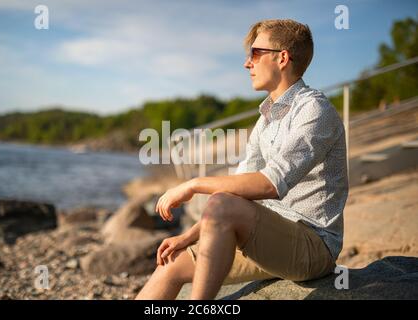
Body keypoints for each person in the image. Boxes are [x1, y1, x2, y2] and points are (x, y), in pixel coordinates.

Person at [135, 19, 348, 300]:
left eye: (255, 53)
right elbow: (236, 191)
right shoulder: (267, 118)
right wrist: (188, 237)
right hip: (267, 239)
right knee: (170, 264)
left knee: (221, 203)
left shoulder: (315, 110)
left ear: (282, 58)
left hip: (312, 246)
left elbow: (271, 184)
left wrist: (194, 184)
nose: (248, 64)